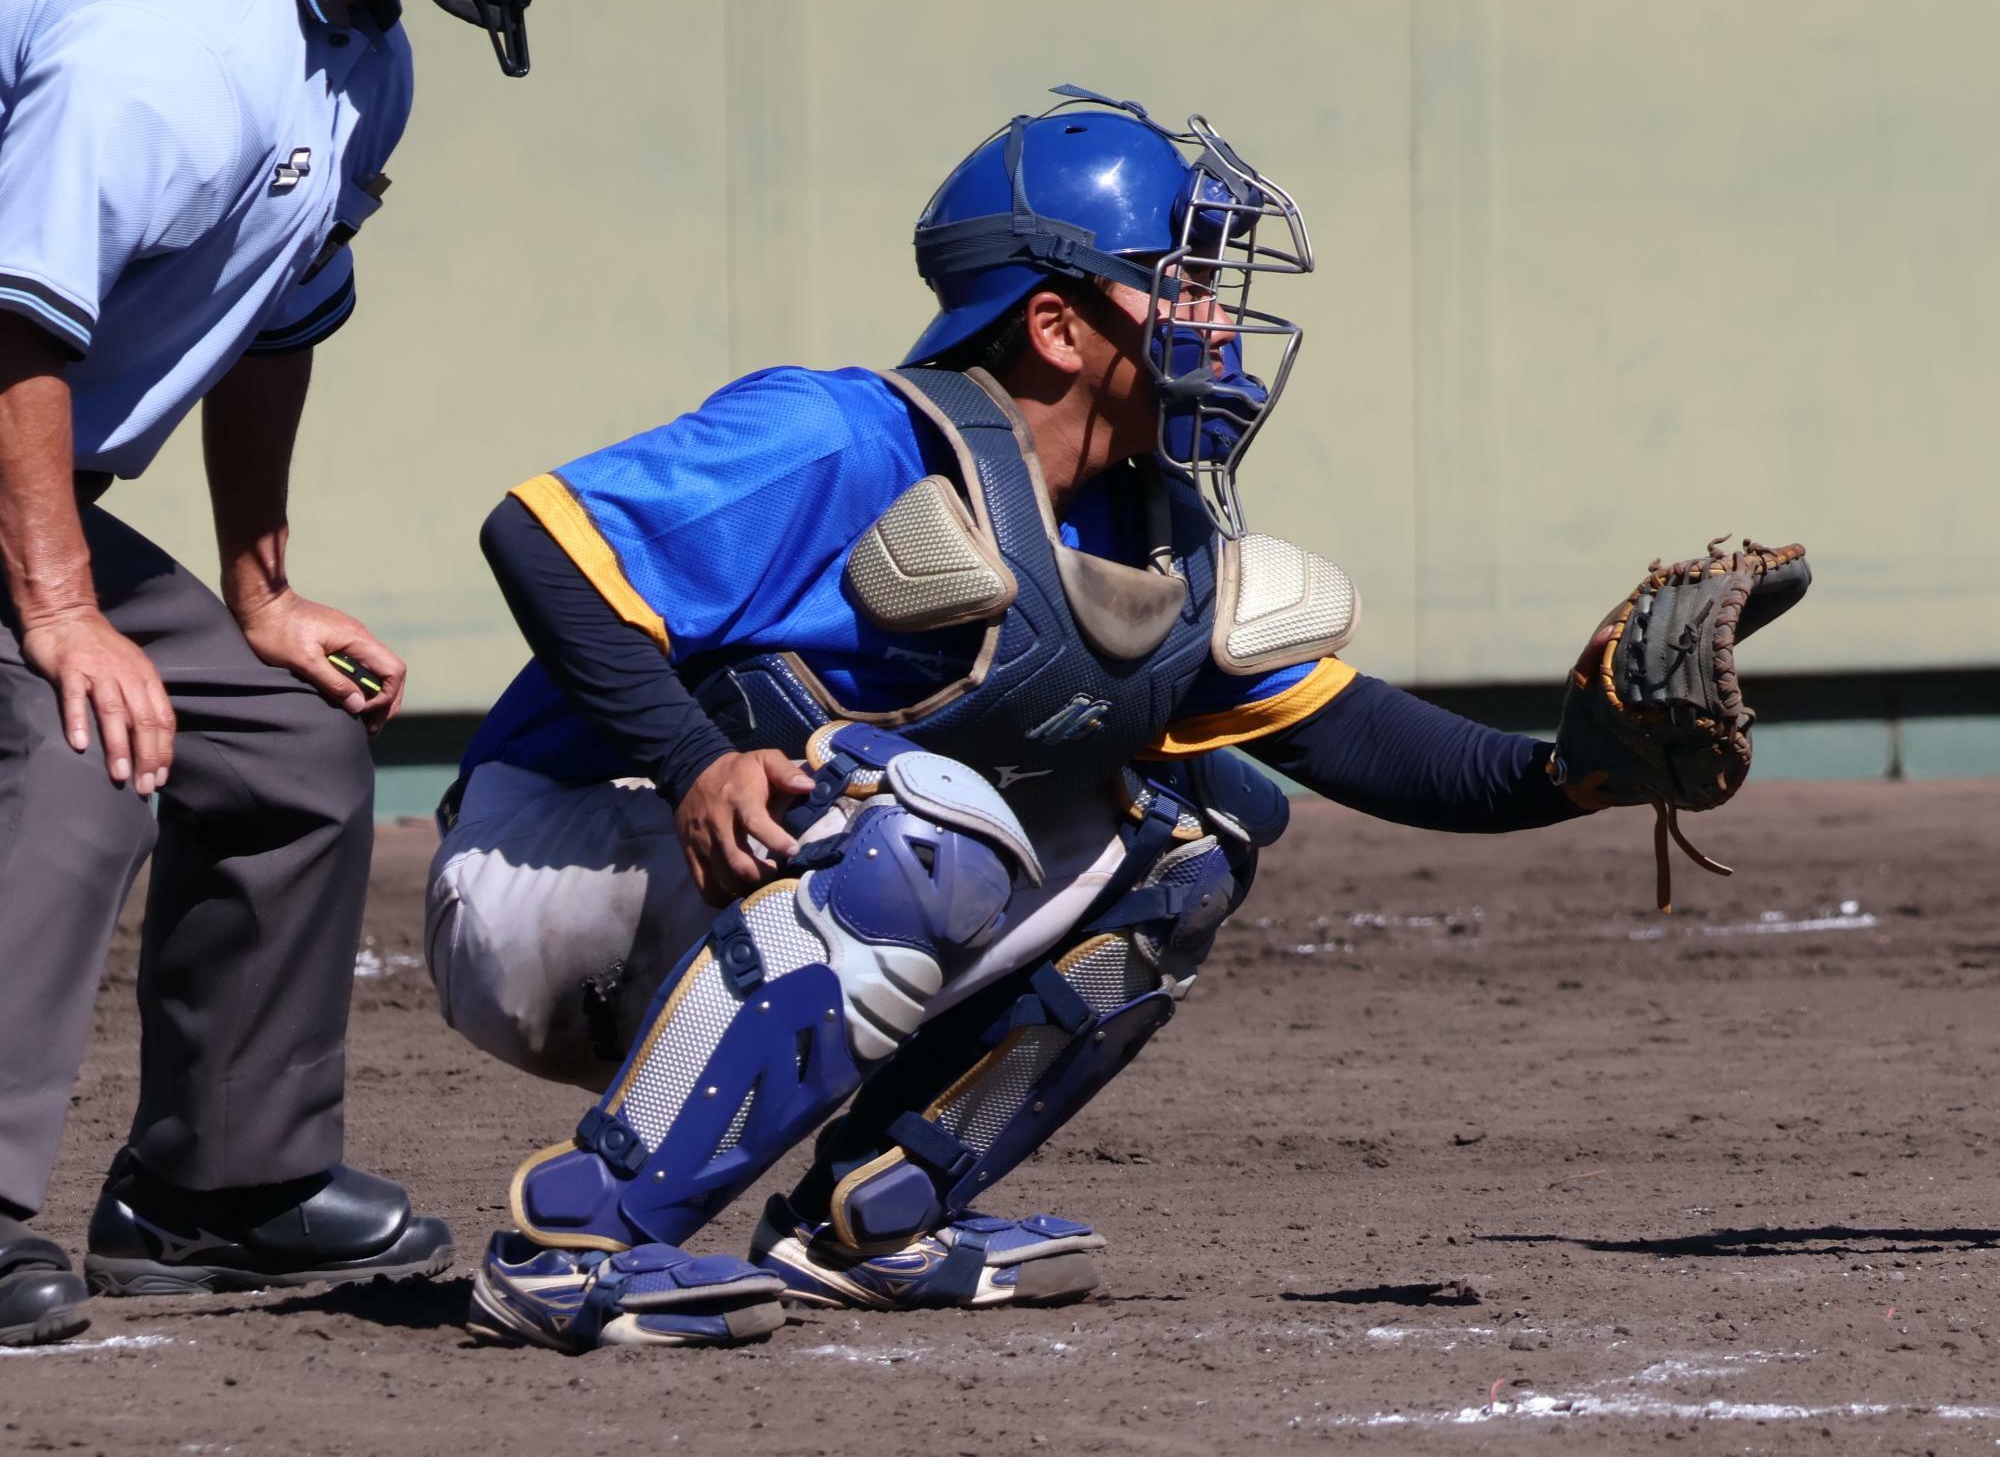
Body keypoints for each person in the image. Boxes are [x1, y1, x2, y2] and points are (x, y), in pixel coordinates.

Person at [424, 86, 1800, 1353]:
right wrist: (691, 761)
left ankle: (872, 1220)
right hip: (549, 869)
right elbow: (541, 537)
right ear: (1057, 323)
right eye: (1180, 278)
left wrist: (1574, 773)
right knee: (925, 822)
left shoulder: (1144, 536)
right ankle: (578, 1239)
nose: (1213, 313)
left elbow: (1349, 739)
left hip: (750, 894)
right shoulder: (851, 435)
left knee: (1200, 830)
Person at [0, 0, 570, 1347]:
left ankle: (214, 1186)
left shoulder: (365, 53)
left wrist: (260, 590)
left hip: (27, 484)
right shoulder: (159, 52)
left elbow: (274, 315)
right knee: (86, 751)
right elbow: (12, 324)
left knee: (291, 742)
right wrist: (66, 614)